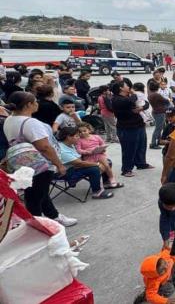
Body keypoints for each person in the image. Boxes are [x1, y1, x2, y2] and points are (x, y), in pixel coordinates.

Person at [3, 91, 76, 226]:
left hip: (22, 164)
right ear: (29, 105)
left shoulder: (10, 119)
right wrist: (59, 164)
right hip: (39, 164)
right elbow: (44, 147)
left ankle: (54, 216)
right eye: (35, 101)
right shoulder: (30, 123)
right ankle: (36, 226)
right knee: (35, 198)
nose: (37, 104)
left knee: (40, 192)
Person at [56, 126, 113, 199]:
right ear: (69, 137)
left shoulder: (70, 144)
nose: (79, 137)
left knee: (107, 161)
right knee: (94, 169)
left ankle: (105, 183)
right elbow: (79, 163)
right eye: (76, 136)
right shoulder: (63, 150)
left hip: (74, 166)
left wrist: (97, 151)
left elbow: (80, 158)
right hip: (65, 173)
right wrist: (97, 164)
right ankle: (97, 192)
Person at [111, 81, 152, 177]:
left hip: (139, 125)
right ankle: (126, 169)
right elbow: (130, 101)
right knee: (129, 149)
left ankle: (141, 163)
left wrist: (141, 108)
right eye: (126, 85)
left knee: (141, 145)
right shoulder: (117, 99)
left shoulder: (128, 97)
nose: (129, 87)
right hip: (127, 128)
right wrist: (134, 94)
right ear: (121, 88)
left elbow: (146, 104)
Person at [76, 122, 121, 189]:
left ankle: (111, 178)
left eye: (84, 131)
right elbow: (78, 150)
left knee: (106, 165)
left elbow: (102, 144)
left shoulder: (96, 137)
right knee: (97, 169)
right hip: (88, 156)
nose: (82, 133)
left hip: (99, 154)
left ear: (89, 130)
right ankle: (98, 183)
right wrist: (87, 152)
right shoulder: (79, 140)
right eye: (80, 132)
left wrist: (102, 149)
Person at [148, 81, 170, 150]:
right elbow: (166, 101)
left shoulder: (150, 94)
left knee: (161, 127)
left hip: (156, 111)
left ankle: (159, 141)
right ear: (157, 87)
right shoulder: (156, 95)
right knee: (158, 129)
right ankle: (153, 143)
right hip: (159, 112)